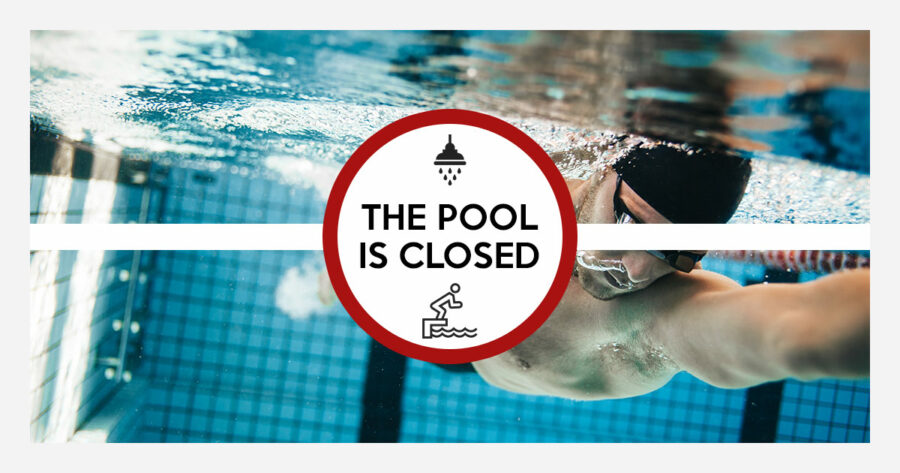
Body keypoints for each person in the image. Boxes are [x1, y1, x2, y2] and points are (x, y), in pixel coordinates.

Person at [465, 145, 869, 400]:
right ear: (605, 166)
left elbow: (795, 331)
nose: (637, 271)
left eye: (677, 254)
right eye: (630, 223)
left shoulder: (656, 315)